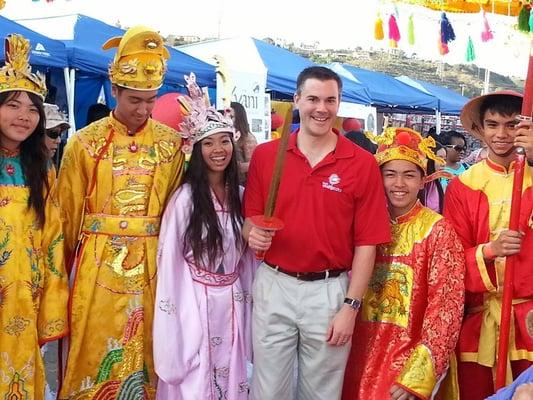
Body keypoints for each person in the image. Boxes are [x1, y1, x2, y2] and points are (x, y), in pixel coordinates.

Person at [244, 66, 391, 400]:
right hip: (274, 284)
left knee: (322, 392)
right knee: (267, 390)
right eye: (312, 99)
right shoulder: (267, 156)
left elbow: (367, 243)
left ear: (339, 104)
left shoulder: (361, 163)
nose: (321, 108)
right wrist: (251, 234)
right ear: (297, 100)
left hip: (329, 292)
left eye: (330, 100)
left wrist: (350, 307)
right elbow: (249, 221)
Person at [58, 26, 185, 399]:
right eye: (135, 100)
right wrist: (58, 281)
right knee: (93, 344)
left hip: (153, 266)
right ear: (114, 91)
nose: (144, 109)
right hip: (96, 266)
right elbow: (65, 215)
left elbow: (178, 211)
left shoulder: (170, 144)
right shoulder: (85, 143)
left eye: (150, 100)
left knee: (146, 347)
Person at [342, 127, 465, 400]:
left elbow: (446, 306)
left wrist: (418, 374)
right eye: (390, 174)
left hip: (408, 357)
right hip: (355, 349)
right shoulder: (361, 222)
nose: (399, 184)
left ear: (423, 180)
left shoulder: (438, 230)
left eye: (409, 175)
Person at [153, 72, 255, 399]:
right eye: (208, 143)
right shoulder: (184, 200)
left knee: (232, 378)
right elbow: (169, 263)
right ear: (196, 150)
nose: (218, 149)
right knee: (196, 379)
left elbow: (249, 261)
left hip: (234, 298)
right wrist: (178, 319)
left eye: (224, 140)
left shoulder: (241, 196)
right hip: (194, 300)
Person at [444, 90, 533, 399]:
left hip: (529, 321)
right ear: (480, 129)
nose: (502, 134)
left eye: (512, 125)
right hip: (481, 325)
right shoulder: (462, 187)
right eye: (493, 125)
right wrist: (490, 251)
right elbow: (451, 262)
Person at [0, 34, 68, 398]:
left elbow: (53, 237)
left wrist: (50, 300)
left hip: (25, 297)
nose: (23, 117)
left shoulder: (41, 169)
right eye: (12, 105)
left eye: (31, 109)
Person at [419, 141, 453, 214]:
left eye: (444, 159)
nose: (443, 163)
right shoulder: (417, 184)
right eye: (439, 158)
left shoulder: (437, 183)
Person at [230, 101, 257, 185]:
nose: (227, 119)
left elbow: (253, 164)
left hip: (241, 184)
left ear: (239, 118)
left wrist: (235, 166)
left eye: (231, 117)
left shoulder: (248, 138)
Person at [44, 103, 70, 171]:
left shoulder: (50, 169)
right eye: (53, 133)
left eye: (60, 134)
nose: (59, 140)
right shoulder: (14, 165)